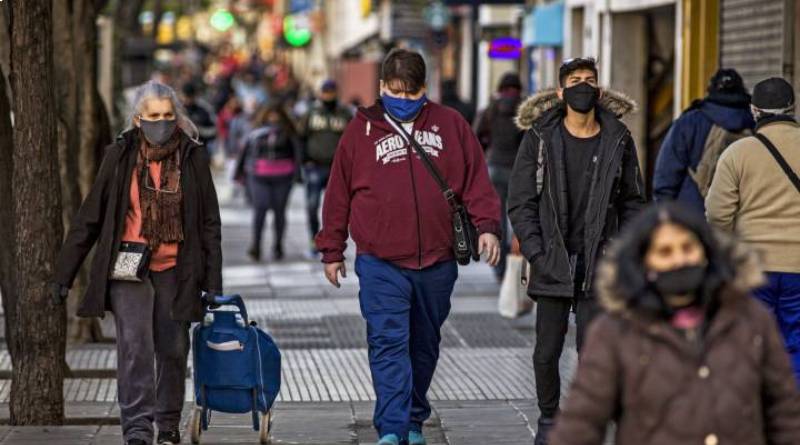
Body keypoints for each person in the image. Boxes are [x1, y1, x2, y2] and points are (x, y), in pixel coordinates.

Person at [316, 48, 501, 445]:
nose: (403, 98)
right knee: (387, 340)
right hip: (380, 261)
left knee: (424, 344)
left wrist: (487, 227)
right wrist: (332, 249)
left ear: (424, 88)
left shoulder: (451, 125)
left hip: (437, 259)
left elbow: (476, 181)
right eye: (395, 90)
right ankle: (393, 428)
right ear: (381, 87)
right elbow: (338, 194)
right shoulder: (360, 131)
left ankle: (414, 419)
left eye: (411, 91)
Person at [51, 81, 223, 445]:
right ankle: (138, 429)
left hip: (177, 267)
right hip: (129, 266)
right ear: (137, 118)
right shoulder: (120, 155)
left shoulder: (193, 156)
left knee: (173, 349)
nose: (160, 123)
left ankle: (167, 424)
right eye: (152, 116)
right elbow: (91, 216)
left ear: (176, 116)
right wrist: (64, 273)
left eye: (167, 116)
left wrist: (213, 282)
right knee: (134, 350)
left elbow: (209, 223)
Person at [548, 202, 800, 445]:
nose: (679, 260)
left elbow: (785, 412)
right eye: (664, 252)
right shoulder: (615, 332)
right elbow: (580, 424)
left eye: (688, 248)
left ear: (706, 252)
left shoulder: (750, 319)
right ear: (644, 264)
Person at [507, 57, 646, 445]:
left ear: (599, 90)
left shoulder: (618, 138)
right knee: (546, 353)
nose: (582, 86)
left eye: (589, 80)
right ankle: (550, 418)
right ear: (560, 91)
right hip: (552, 260)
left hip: (600, 262)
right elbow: (520, 201)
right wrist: (536, 251)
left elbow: (634, 199)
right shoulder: (539, 137)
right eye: (575, 80)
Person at [706, 77, 800, 384]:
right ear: (793, 108)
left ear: (754, 110)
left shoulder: (737, 153)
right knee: (795, 347)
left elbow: (718, 214)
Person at [653, 68, 754, 213]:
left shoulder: (690, 121)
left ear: (711, 90)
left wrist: (666, 216)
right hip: (740, 219)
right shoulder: (754, 123)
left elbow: (666, 176)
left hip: (694, 218)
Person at [474, 72, 525, 281]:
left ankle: (499, 267)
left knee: (499, 219)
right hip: (518, 171)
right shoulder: (524, 111)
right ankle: (517, 261)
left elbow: (476, 137)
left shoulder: (489, 110)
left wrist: (487, 152)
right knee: (518, 218)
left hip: (494, 169)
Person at [236, 103, 299, 262]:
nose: (273, 118)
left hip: (283, 176)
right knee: (260, 208)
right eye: (270, 114)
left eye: (276, 115)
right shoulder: (255, 132)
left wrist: (298, 174)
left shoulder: (289, 132)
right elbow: (245, 151)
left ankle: (278, 245)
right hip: (258, 175)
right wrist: (239, 172)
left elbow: (297, 153)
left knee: (279, 211)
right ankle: (256, 246)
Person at [299, 79, 352, 257]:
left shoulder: (344, 113)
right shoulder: (311, 113)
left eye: (331, 92)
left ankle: (331, 241)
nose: (328, 95)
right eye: (325, 92)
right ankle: (314, 240)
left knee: (335, 209)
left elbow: (353, 141)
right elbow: (301, 137)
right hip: (315, 165)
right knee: (312, 205)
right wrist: (303, 161)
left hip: (336, 168)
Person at [181, 82, 218, 151]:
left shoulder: (204, 109)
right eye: (185, 96)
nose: (187, 100)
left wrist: (199, 130)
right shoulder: (178, 109)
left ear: (195, 95)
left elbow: (215, 130)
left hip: (201, 149)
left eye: (190, 96)